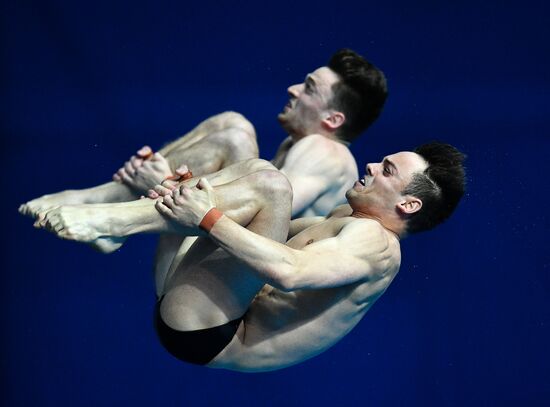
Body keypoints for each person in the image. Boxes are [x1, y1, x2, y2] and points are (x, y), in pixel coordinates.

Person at [35, 142, 466, 372]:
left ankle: (111, 222)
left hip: (212, 333)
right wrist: (198, 190)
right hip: (201, 305)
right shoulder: (344, 217)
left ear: (409, 205)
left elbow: (288, 271)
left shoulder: (377, 246)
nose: (372, 165)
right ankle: (120, 220)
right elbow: (255, 228)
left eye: (387, 170)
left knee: (273, 185)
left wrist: (205, 214)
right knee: (244, 153)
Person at [19, 48, 388, 295]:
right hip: (206, 279)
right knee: (232, 126)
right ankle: (101, 204)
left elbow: (267, 208)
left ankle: (103, 210)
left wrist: (165, 185)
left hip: (221, 298)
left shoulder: (324, 151)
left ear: (332, 119)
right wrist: (170, 185)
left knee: (238, 139)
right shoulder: (300, 147)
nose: (292, 89)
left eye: (308, 88)